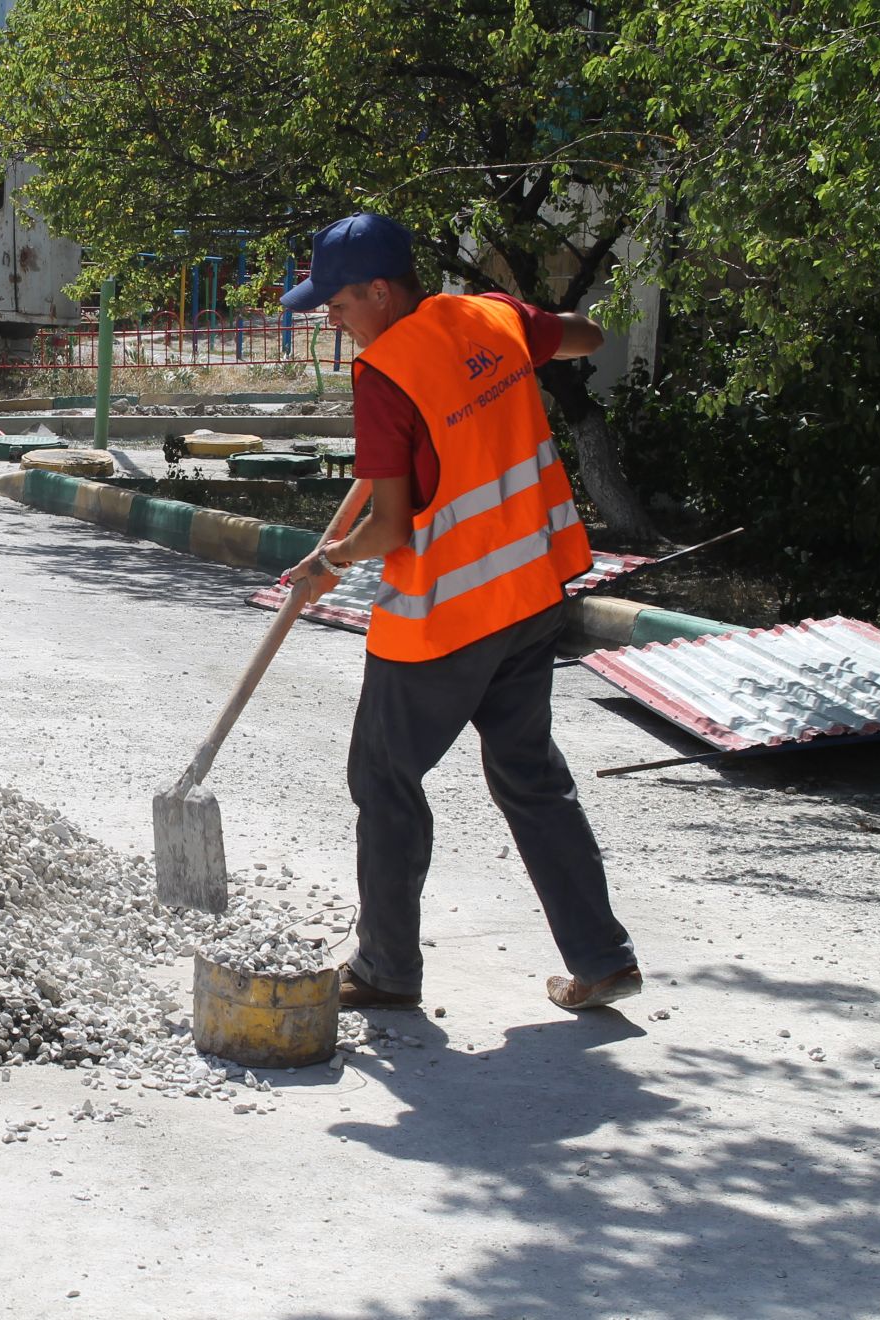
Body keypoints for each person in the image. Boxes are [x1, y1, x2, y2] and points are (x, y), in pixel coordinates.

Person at [278, 212, 640, 1014]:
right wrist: (504, 361)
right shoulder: (489, 316)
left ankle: (385, 970)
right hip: (530, 596)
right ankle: (602, 957)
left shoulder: (383, 375)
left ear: (380, 289)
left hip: (444, 618)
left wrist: (327, 564)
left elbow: (392, 525)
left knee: (384, 776)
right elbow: (585, 336)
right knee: (531, 778)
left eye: (336, 304)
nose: (330, 320)